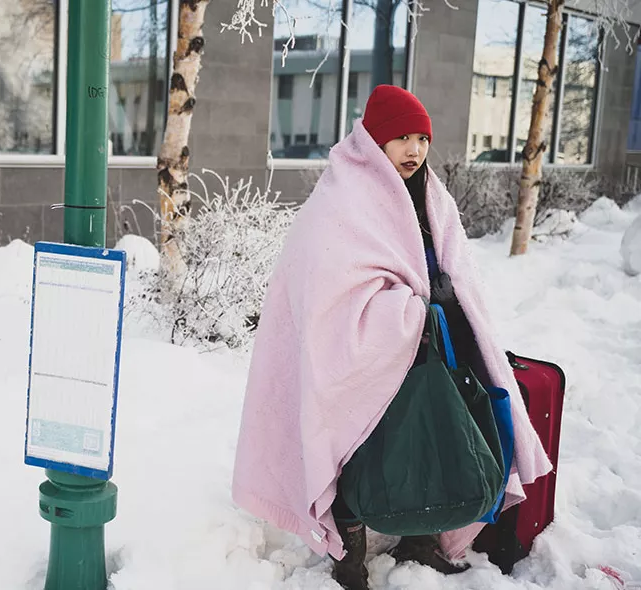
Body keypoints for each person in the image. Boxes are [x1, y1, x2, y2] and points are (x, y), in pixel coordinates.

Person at [231, 85, 553, 590]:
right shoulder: (341, 198)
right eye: (401, 137)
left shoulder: (431, 195)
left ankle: (421, 539)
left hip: (430, 343)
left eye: (422, 138)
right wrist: (404, 314)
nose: (414, 150)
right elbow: (329, 294)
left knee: (432, 435)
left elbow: (455, 268)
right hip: (360, 356)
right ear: (374, 141)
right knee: (357, 444)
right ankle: (349, 554)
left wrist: (447, 309)